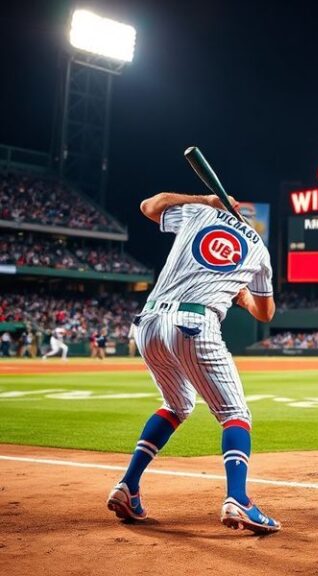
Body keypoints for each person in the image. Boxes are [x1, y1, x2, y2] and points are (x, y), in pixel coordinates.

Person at [107, 191, 279, 534]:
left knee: (177, 404)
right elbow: (266, 312)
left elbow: (147, 206)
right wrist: (244, 298)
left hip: (149, 322)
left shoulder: (200, 214)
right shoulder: (259, 248)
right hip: (194, 323)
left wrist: (204, 199)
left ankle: (128, 486)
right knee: (235, 415)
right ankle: (238, 499)